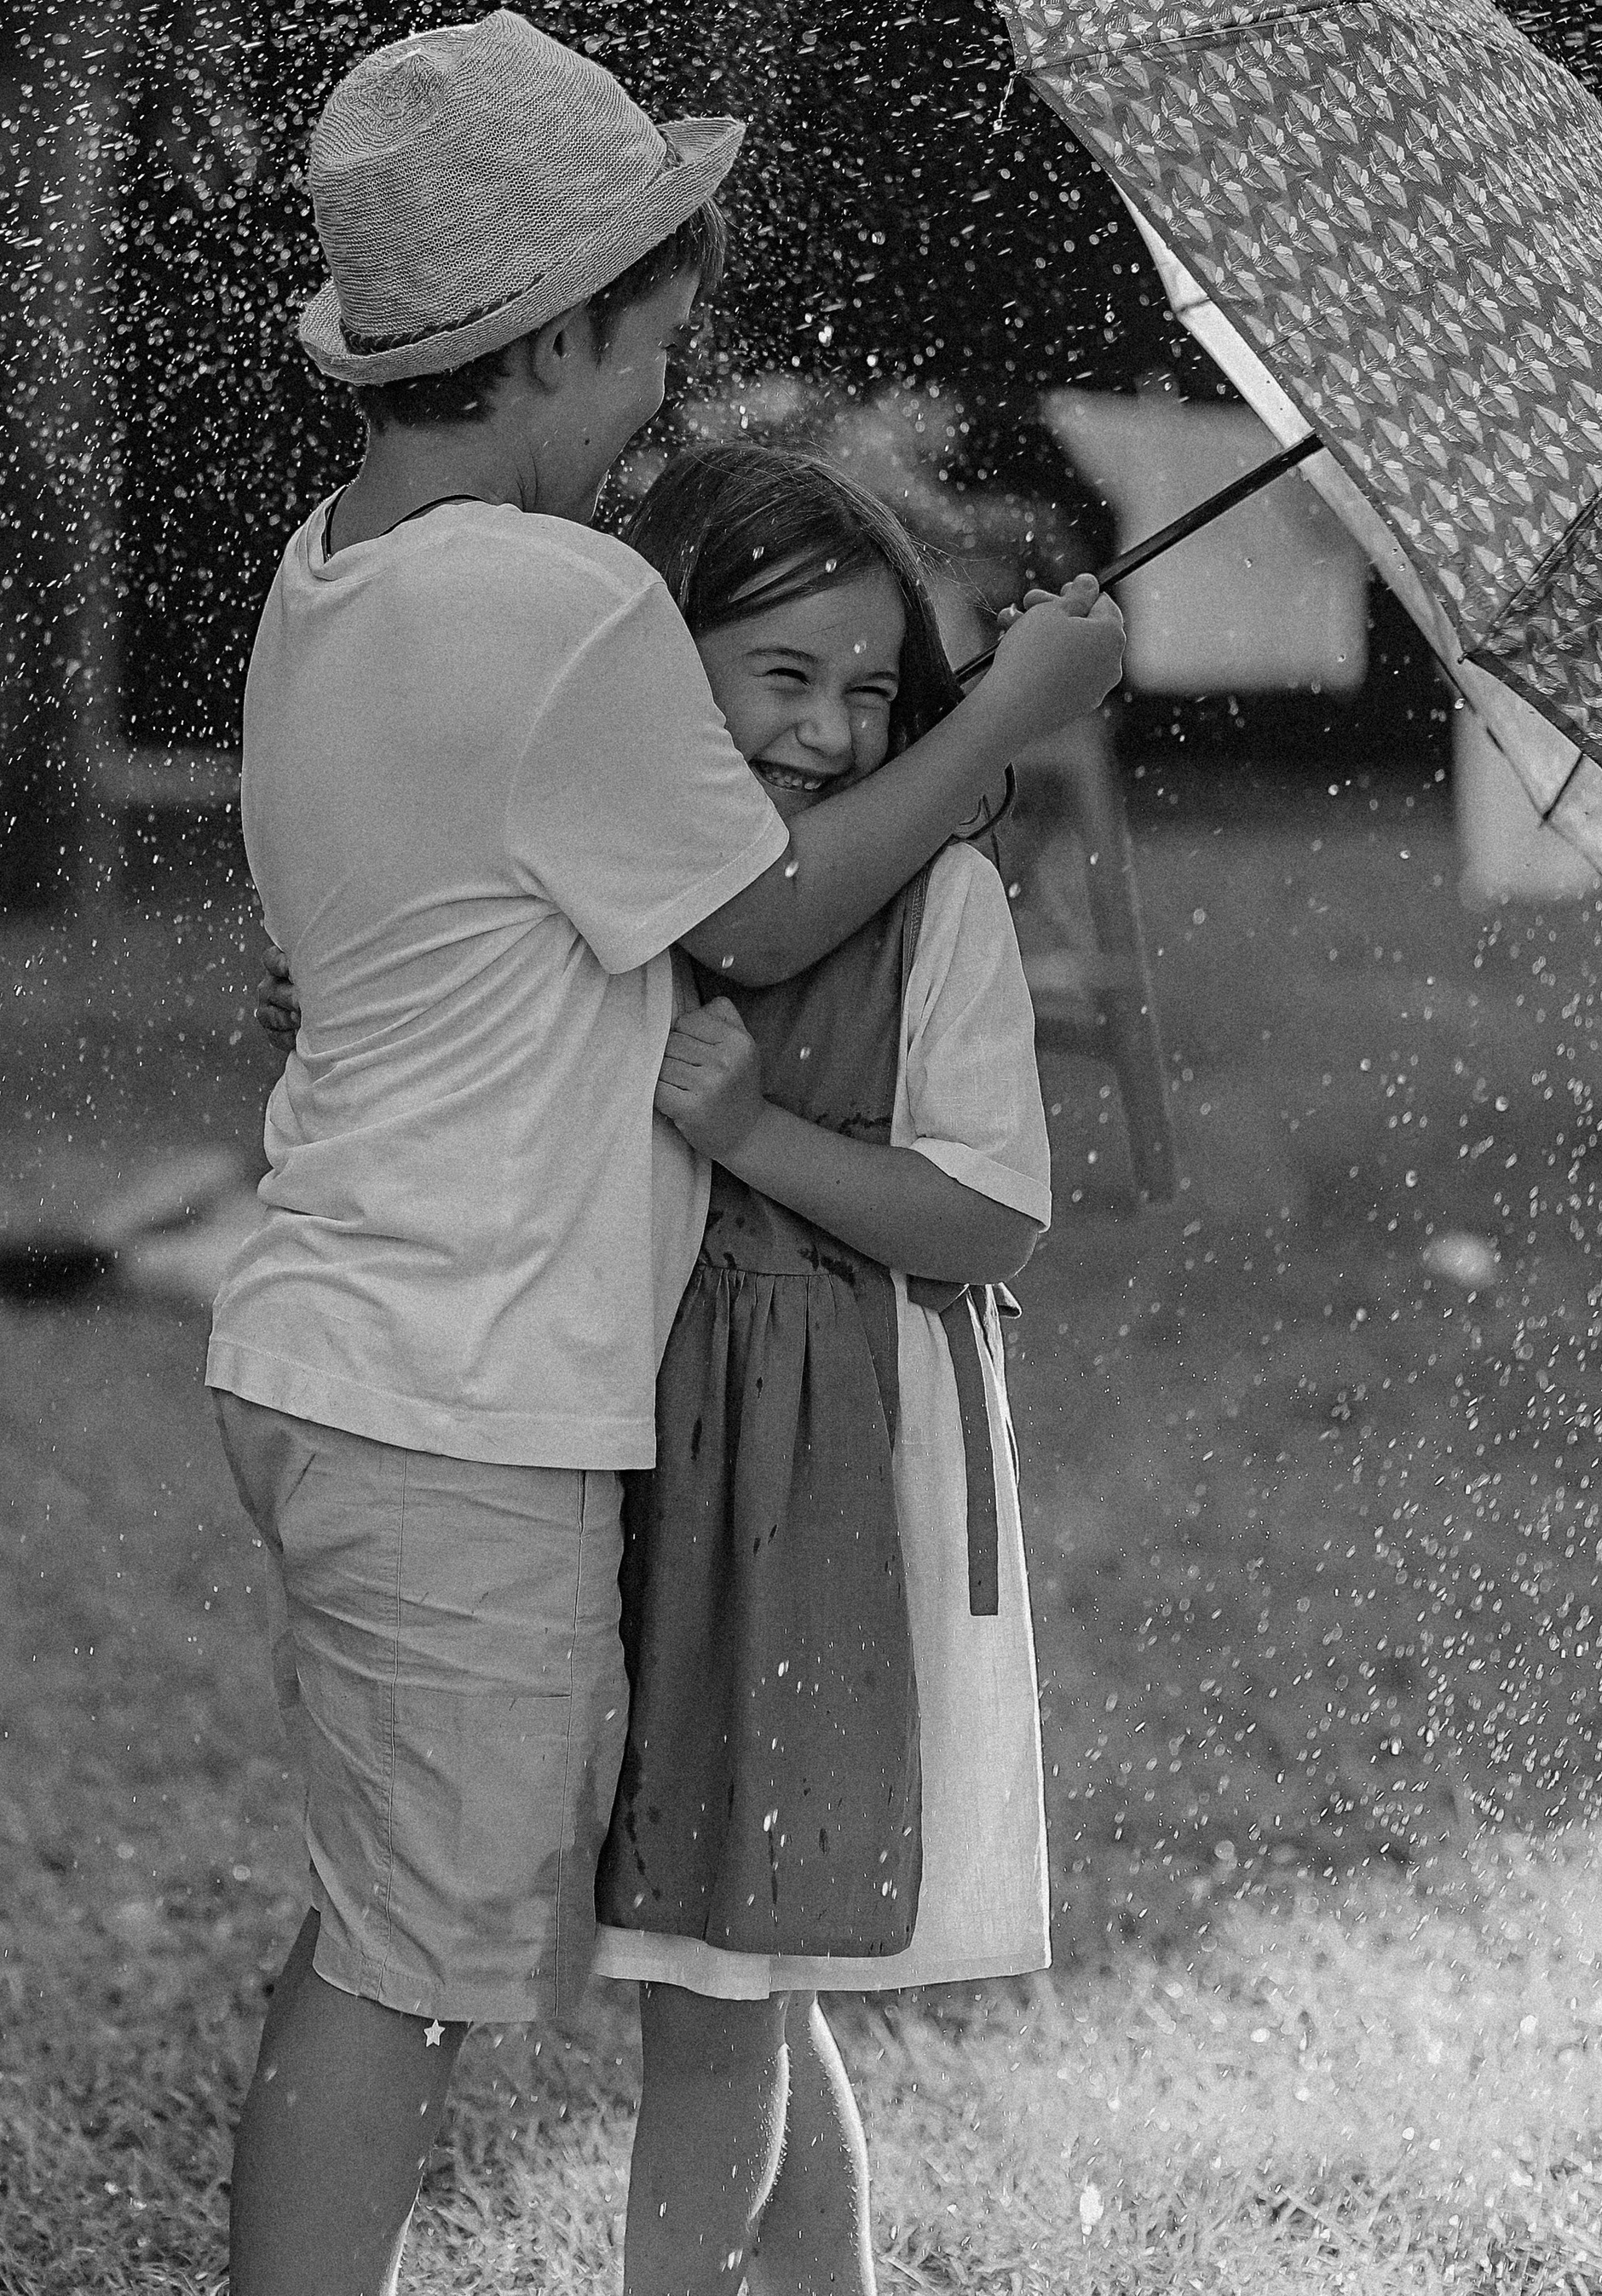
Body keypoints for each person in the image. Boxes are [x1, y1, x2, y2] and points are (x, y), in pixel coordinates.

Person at [212, 7, 1125, 2296]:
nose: (659, 404)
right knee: (406, 1961)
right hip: (452, 1387)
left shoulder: (334, 573)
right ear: (547, 344)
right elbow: (781, 903)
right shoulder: (554, 606)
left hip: (356, 1345)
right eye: (651, 350)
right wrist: (1000, 719)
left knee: (484, 1926)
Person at [594, 442, 1061, 2296]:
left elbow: (990, 1224)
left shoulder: (935, 906)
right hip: (651, 1447)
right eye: (780, 677)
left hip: (824, 1471)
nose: (830, 731)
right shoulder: (621, 879)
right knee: (736, 1966)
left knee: (720, 1981)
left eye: (871, 692)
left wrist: (755, 1134)